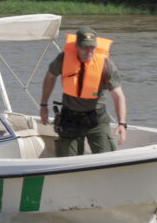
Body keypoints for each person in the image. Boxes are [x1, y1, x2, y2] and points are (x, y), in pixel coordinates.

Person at [39, 27, 127, 157]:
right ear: (77, 46)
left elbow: (118, 96)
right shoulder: (63, 59)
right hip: (70, 118)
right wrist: (43, 105)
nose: (89, 51)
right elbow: (50, 77)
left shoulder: (106, 64)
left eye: (92, 47)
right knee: (66, 161)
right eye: (85, 47)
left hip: (96, 118)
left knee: (106, 158)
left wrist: (122, 124)